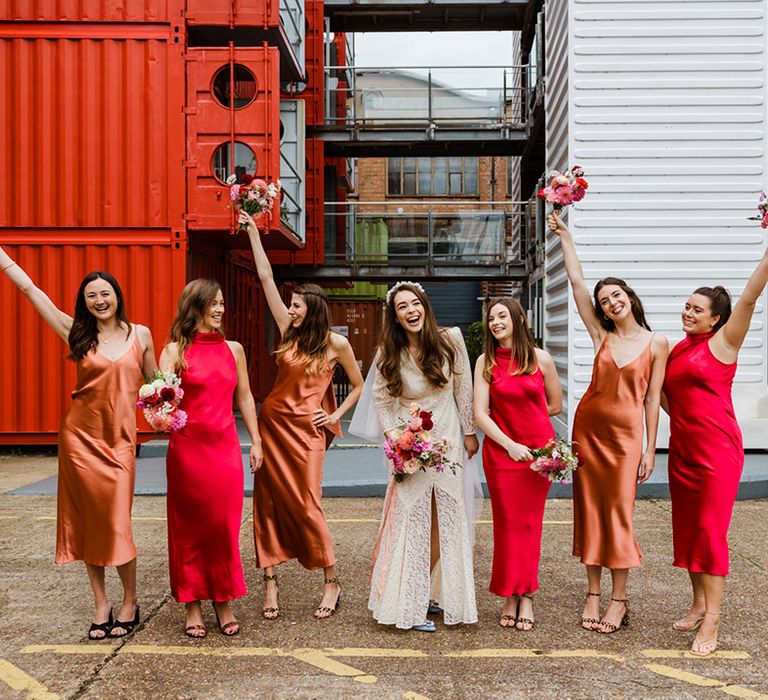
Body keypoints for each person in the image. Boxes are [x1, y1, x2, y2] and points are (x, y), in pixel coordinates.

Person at [0, 246, 156, 640]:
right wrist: (5, 260)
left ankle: (130, 601)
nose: (99, 300)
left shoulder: (141, 335)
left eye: (105, 293)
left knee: (116, 523)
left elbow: (156, 385)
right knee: (89, 525)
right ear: (84, 303)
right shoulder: (76, 333)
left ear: (117, 295)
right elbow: (32, 291)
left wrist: (166, 407)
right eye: (91, 296)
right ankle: (102, 602)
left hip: (120, 444)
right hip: (80, 440)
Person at [547, 214, 668, 634]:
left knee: (619, 515)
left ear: (630, 298)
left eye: (616, 296)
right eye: (605, 301)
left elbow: (652, 399)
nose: (610, 303)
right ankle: (593, 593)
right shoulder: (603, 337)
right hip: (588, 435)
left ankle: (619, 599)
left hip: (626, 439)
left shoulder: (657, 343)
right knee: (591, 513)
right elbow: (578, 283)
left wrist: (651, 449)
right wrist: (565, 235)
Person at [241, 210, 364, 620]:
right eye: (289, 304)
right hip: (273, 426)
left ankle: (331, 580)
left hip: (308, 434)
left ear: (311, 308)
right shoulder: (287, 331)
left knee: (309, 503)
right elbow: (264, 279)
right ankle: (270, 583)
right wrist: (254, 234)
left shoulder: (335, 345)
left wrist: (335, 418)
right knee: (269, 504)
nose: (290, 309)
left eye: (296, 305)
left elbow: (360, 386)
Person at [662, 247, 768, 656]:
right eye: (686, 306)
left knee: (709, 534)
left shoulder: (724, 342)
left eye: (696, 309)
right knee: (688, 533)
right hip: (682, 451)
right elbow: (667, 397)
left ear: (715, 318)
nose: (687, 313)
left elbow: (749, 296)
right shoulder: (677, 349)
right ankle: (698, 603)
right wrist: (680, 422)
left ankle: (713, 621)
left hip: (717, 453)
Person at [364, 281, 480, 632]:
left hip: (446, 440)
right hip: (409, 443)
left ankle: (434, 594)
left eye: (415, 304)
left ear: (425, 307)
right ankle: (407, 604)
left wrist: (470, 430)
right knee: (410, 519)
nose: (411, 311)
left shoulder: (451, 339)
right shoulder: (389, 351)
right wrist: (395, 440)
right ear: (395, 316)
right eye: (402, 307)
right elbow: (383, 401)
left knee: (446, 516)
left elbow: (464, 387)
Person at [160, 279, 262, 638]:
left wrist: (257, 441)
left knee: (223, 527)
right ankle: (192, 604)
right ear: (195, 307)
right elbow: (162, 401)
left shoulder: (234, 349)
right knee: (190, 528)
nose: (219, 309)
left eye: (221, 303)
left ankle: (223, 599)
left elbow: (246, 398)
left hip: (225, 449)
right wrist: (159, 411)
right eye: (212, 304)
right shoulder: (174, 351)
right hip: (187, 451)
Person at [473, 298, 562, 630]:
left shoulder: (541, 359)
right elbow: (480, 413)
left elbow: (553, 405)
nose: (495, 322)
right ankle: (511, 594)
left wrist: (535, 438)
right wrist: (510, 443)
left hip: (538, 456)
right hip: (502, 453)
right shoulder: (486, 361)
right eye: (491, 318)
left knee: (529, 526)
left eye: (501, 315)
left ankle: (526, 594)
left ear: (519, 319)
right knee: (507, 525)